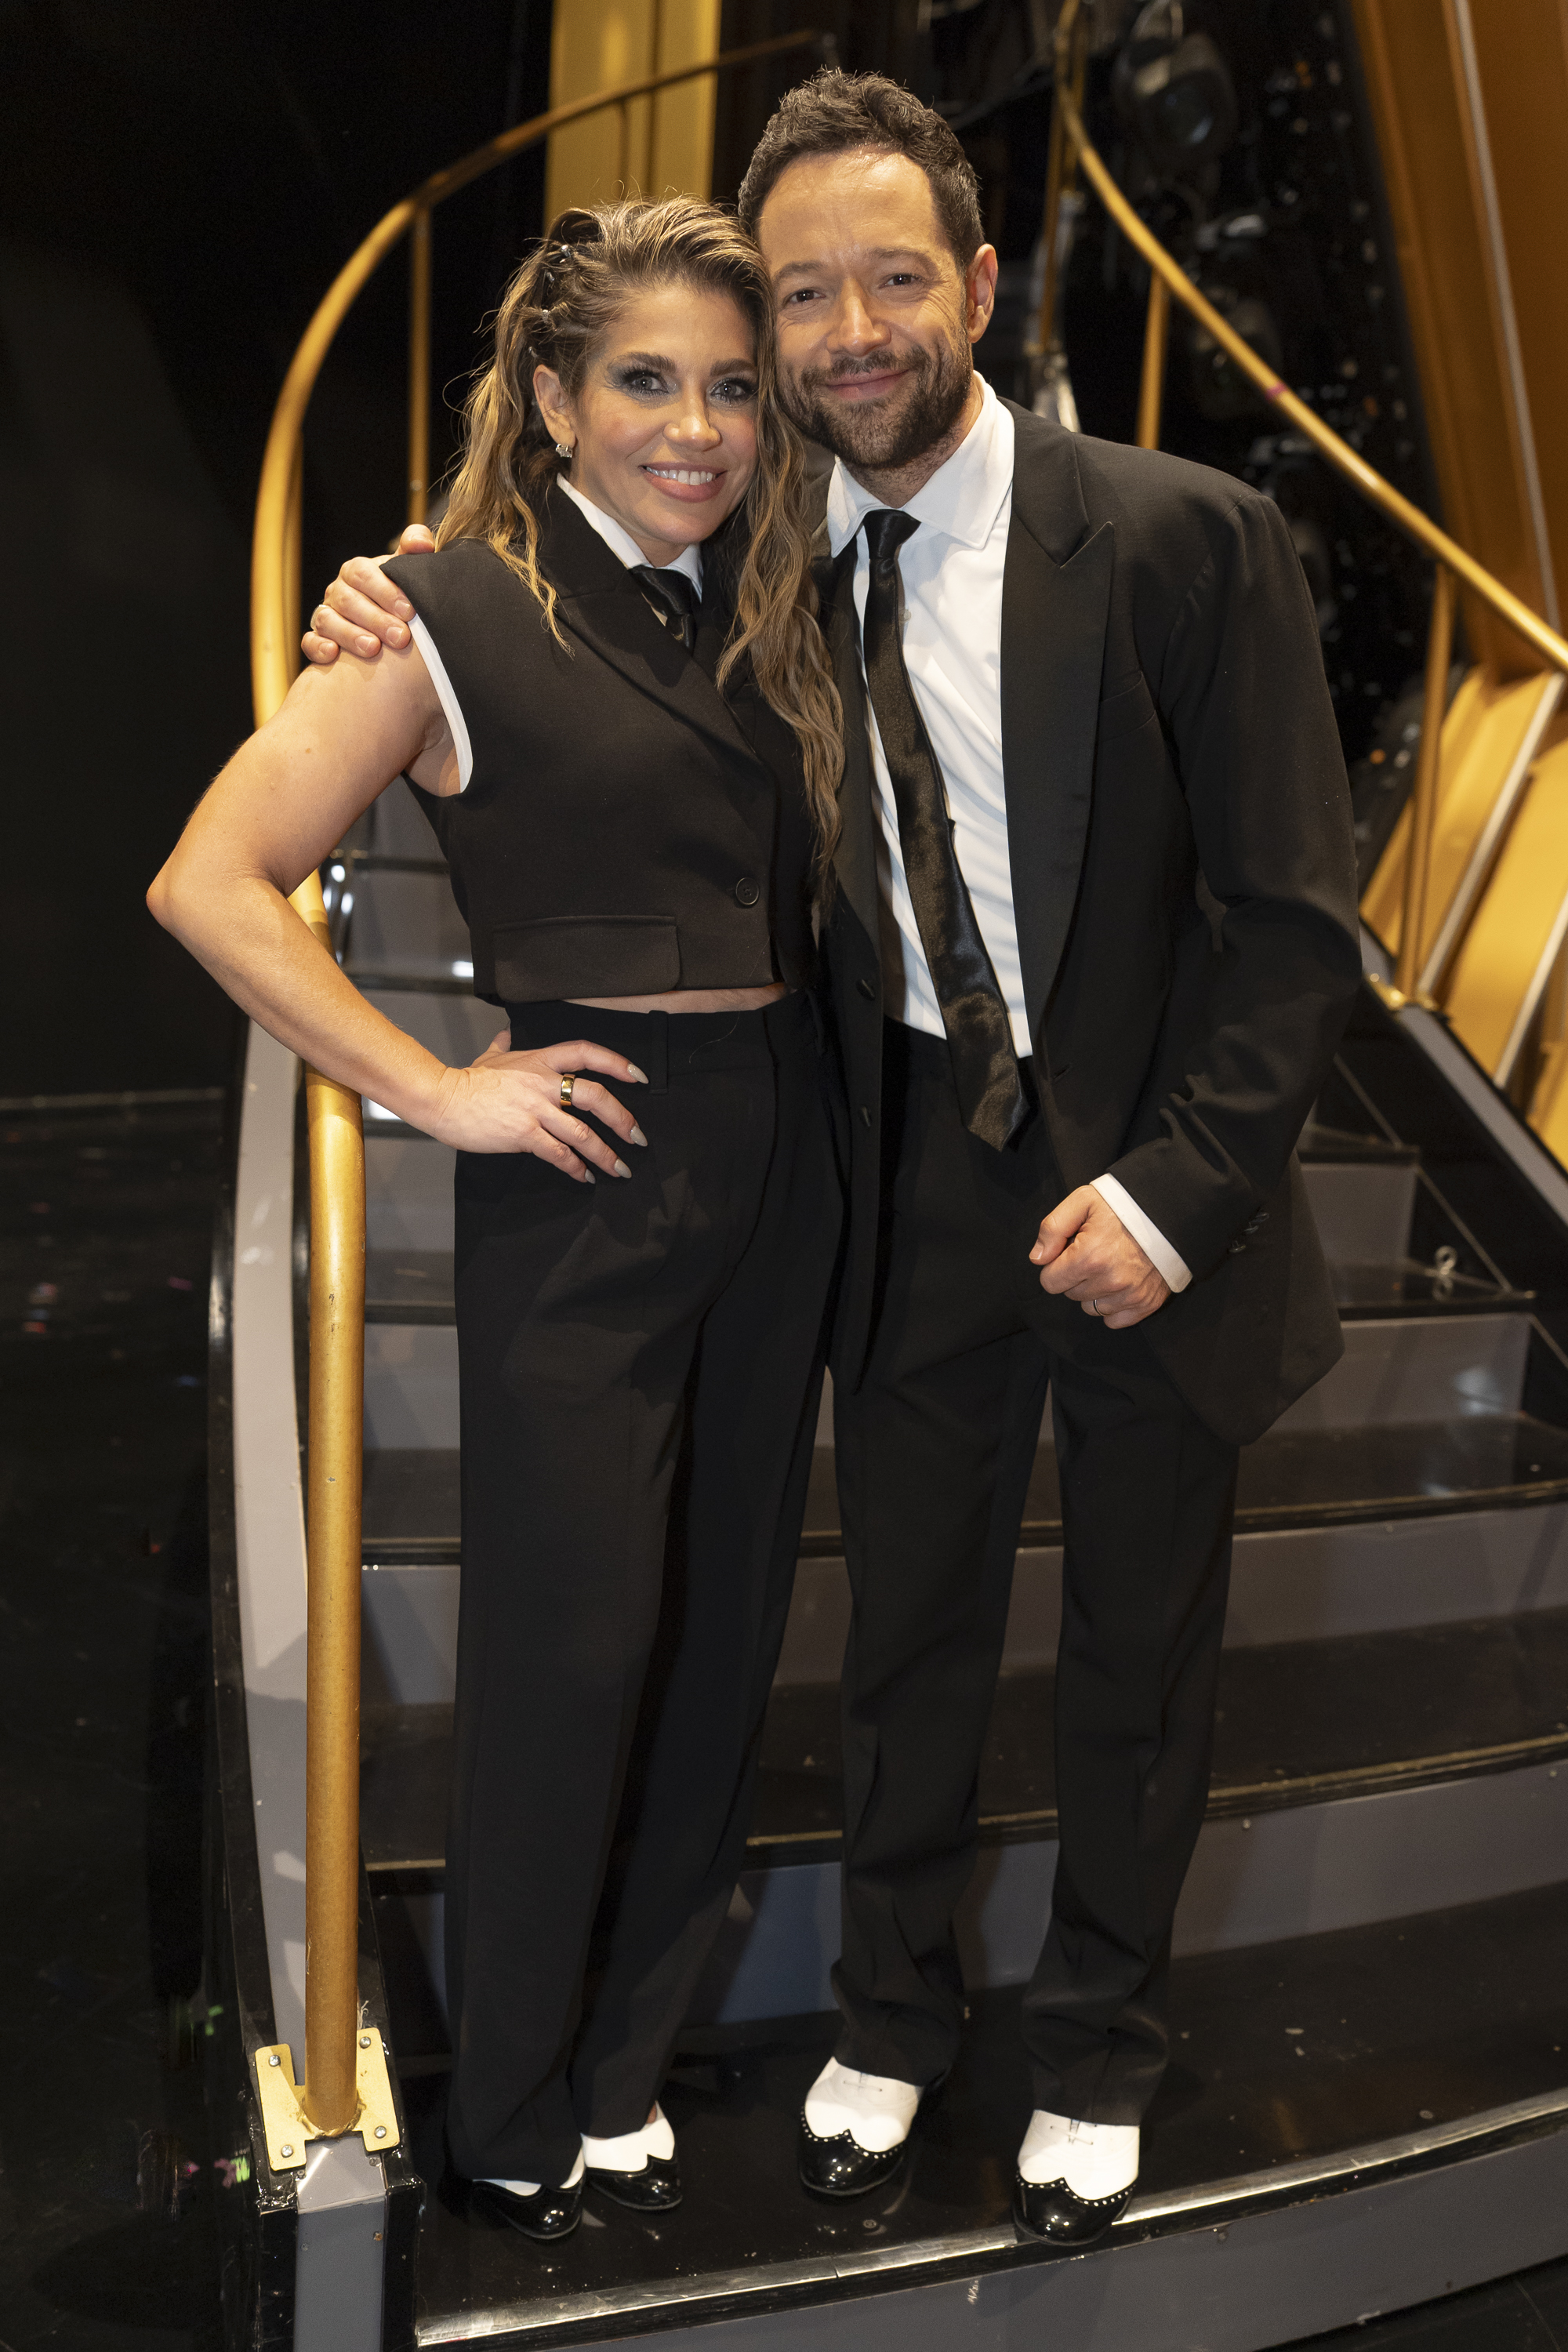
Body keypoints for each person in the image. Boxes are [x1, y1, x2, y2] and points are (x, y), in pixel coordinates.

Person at [307, 72, 1361, 2250]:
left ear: (978, 284)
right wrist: (376, 607)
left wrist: (1181, 1185)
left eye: (895, 278)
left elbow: (1290, 923)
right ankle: (889, 2012)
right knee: (903, 1630)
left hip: (1154, 1170)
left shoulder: (1177, 533)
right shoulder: (770, 554)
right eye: (806, 294)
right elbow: (576, 665)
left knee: (1139, 1645)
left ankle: (1100, 2043)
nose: (851, 328)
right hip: (899, 1168)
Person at [150, 197, 846, 2243]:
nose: (696, 424)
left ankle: (625, 2058)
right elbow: (208, 877)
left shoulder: (778, 588)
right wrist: (435, 1082)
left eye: (731, 384)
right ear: (550, 397)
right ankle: (519, 2101)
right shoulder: (443, 607)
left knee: (721, 1649)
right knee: (571, 1659)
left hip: (787, 1151)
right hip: (594, 1161)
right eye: (645, 379)